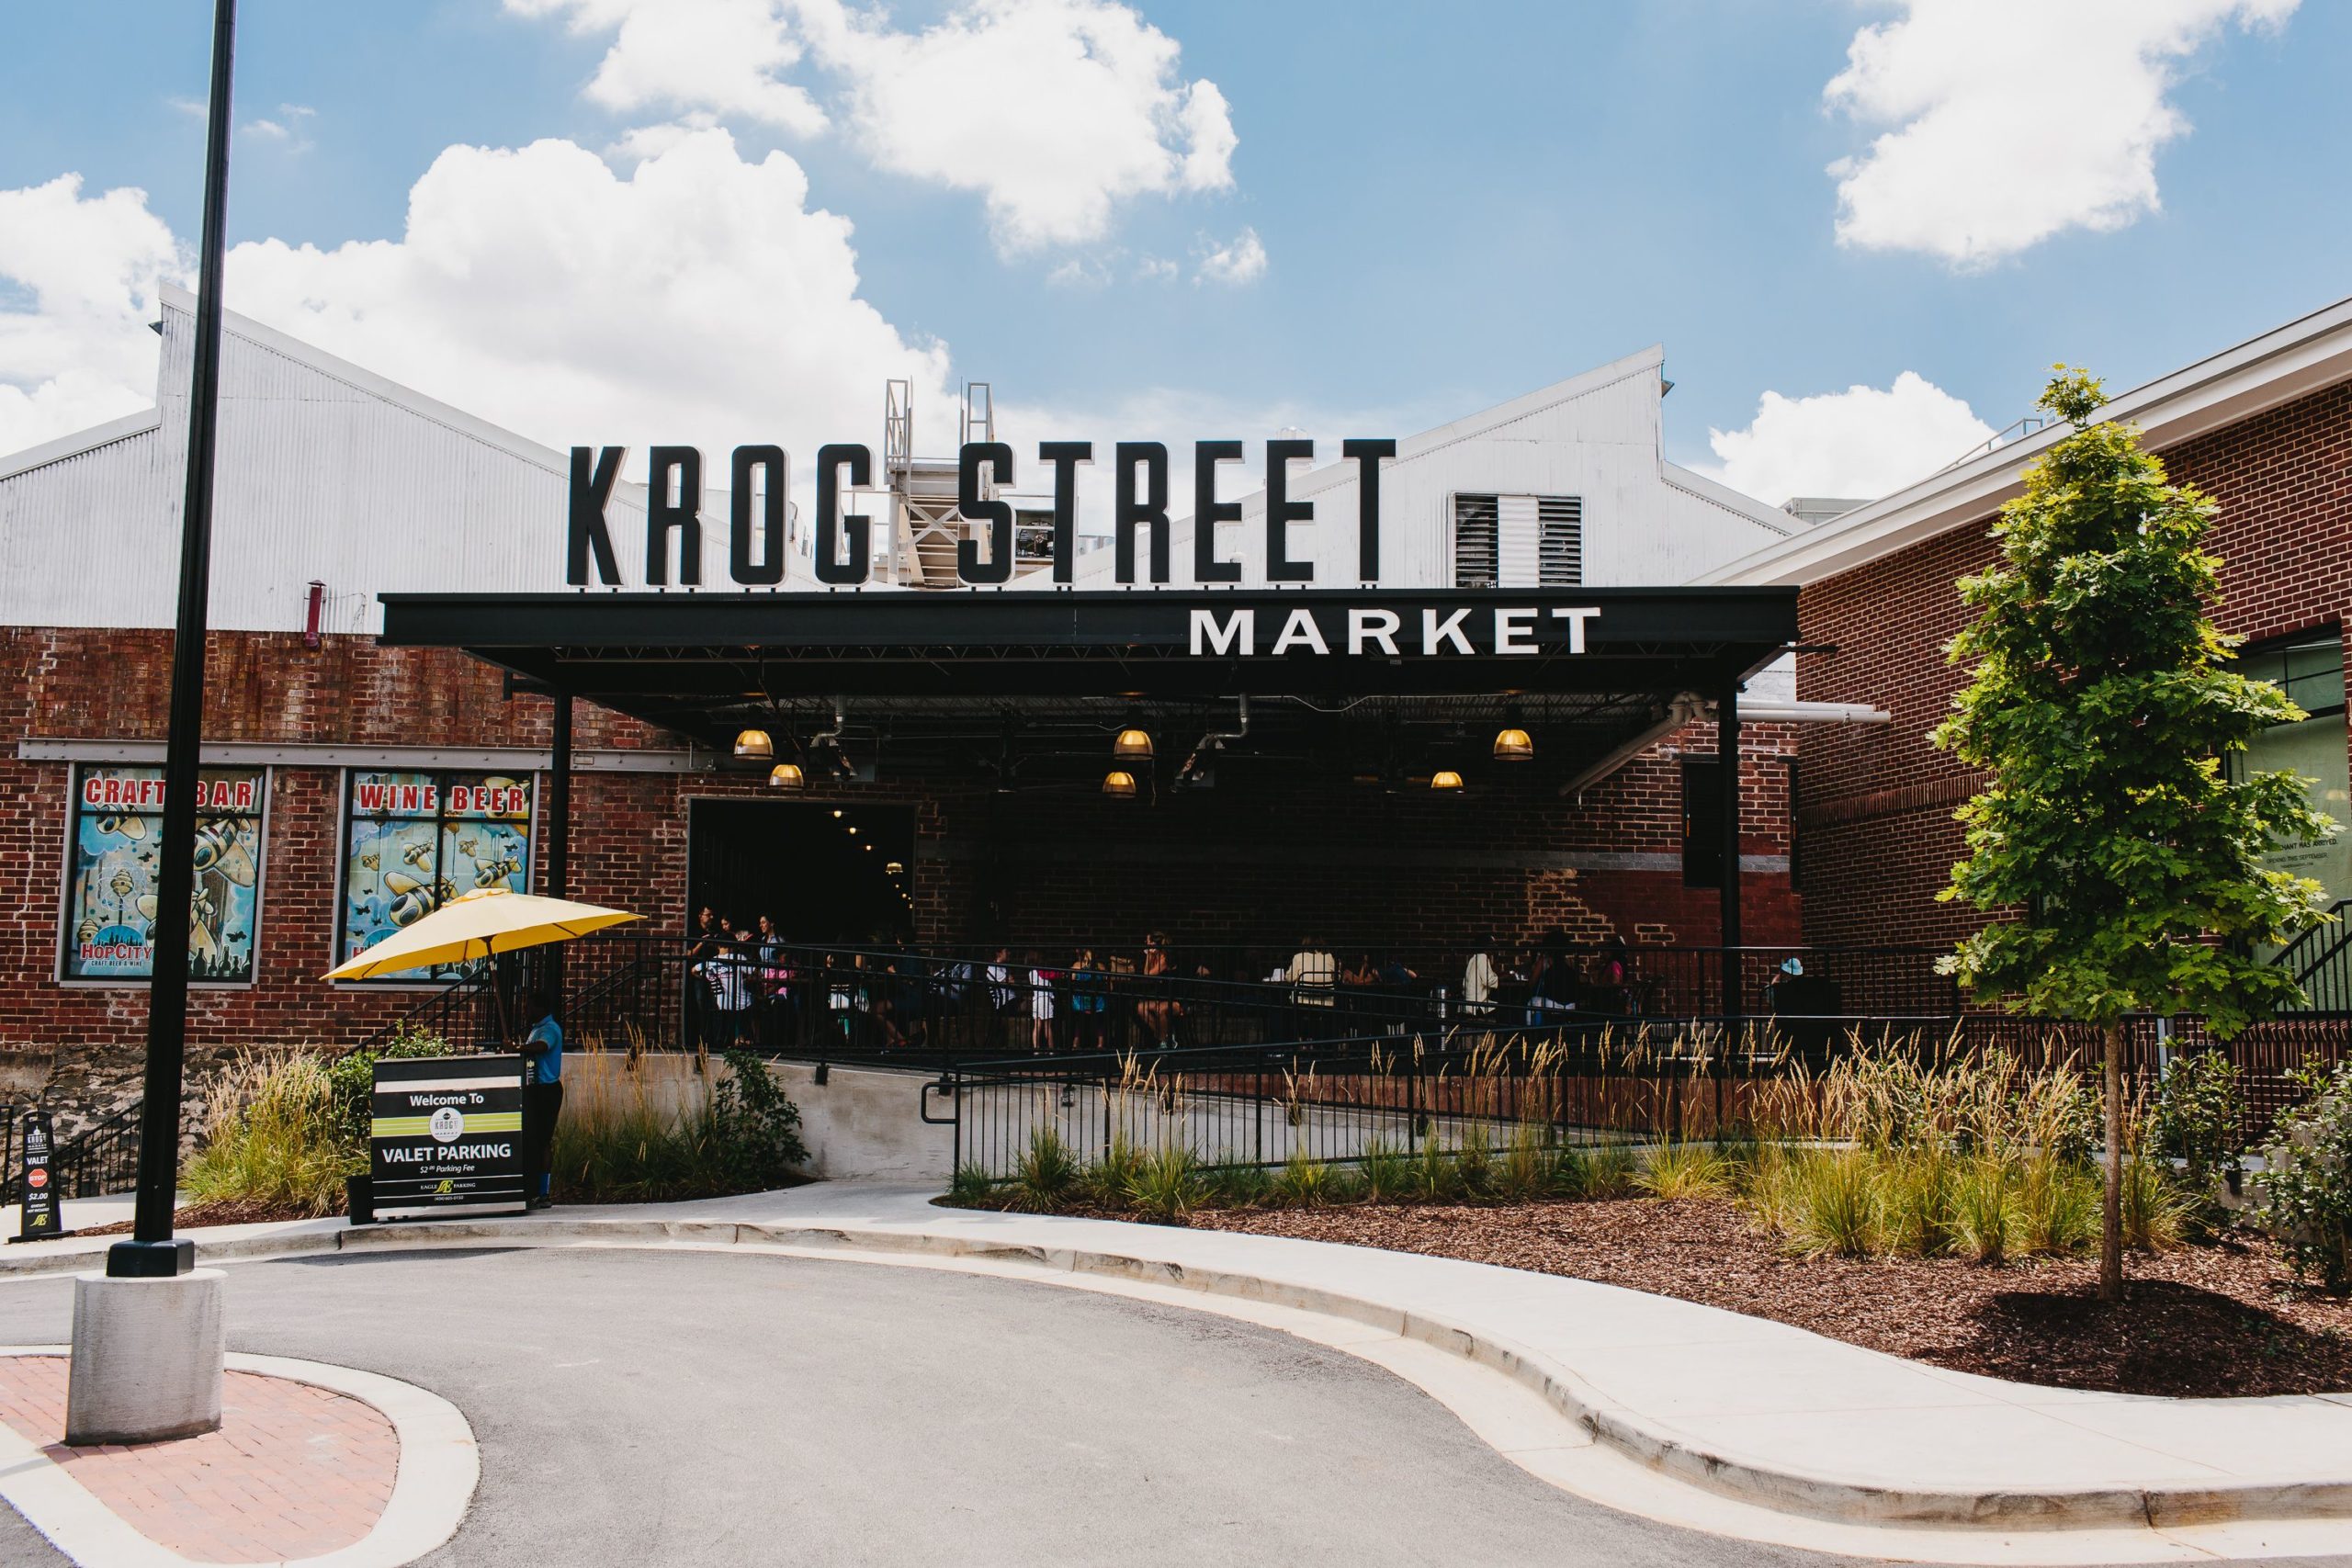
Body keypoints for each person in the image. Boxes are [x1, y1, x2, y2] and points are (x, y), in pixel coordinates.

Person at [519, 987, 565, 1210]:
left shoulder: (550, 1029)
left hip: (547, 1090)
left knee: (543, 1139)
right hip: (534, 1089)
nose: (525, 1010)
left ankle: (543, 1192)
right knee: (532, 1139)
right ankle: (531, 1188)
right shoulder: (536, 1028)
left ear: (540, 1008)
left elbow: (542, 1047)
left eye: (529, 1006)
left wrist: (518, 1048)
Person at [1288, 938, 1338, 1007]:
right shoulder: (1329, 957)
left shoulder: (1299, 957)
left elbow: (1290, 978)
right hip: (1326, 1001)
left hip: (1302, 1000)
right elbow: (1337, 978)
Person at [1024, 949, 1057, 1052]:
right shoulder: (1040, 971)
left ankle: (1036, 1049)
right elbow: (1051, 975)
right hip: (1045, 999)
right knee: (1048, 1026)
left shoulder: (1031, 973)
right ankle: (1051, 1049)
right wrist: (1061, 974)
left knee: (1037, 1025)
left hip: (1036, 1000)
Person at [1462, 938, 1498, 1018]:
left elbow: (1490, 974)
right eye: (1492, 944)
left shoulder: (1474, 958)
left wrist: (1496, 958)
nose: (1495, 947)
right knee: (1505, 1008)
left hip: (1469, 1003)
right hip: (1477, 1005)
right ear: (1486, 947)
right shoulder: (1482, 958)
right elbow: (1489, 980)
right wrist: (1504, 977)